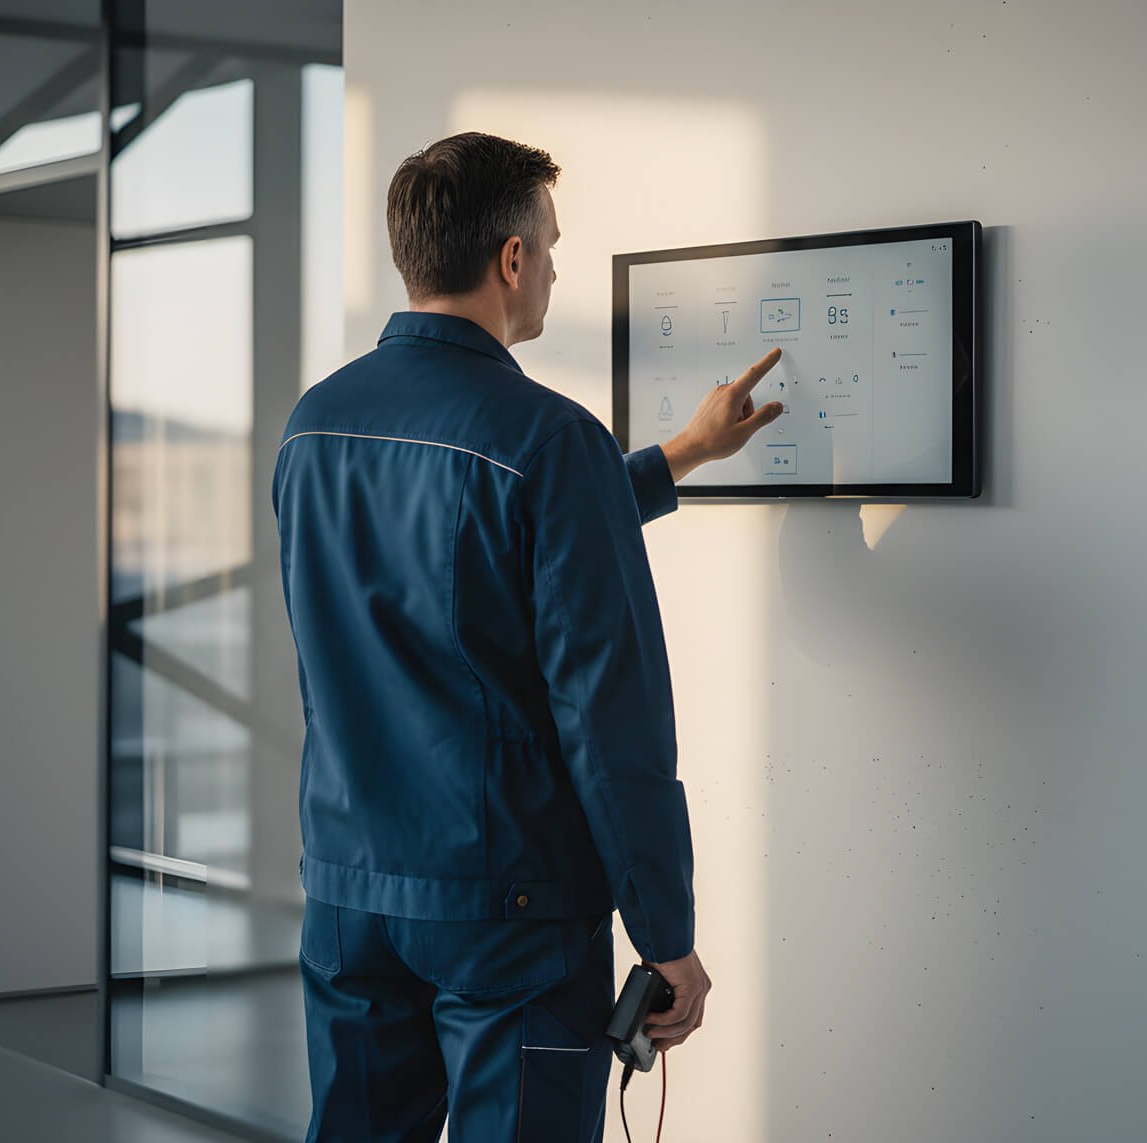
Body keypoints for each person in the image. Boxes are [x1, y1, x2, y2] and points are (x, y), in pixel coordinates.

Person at [273, 131, 782, 1141]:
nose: (551, 266)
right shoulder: (547, 440)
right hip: (506, 910)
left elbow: (458, 556)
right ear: (510, 260)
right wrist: (665, 933)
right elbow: (610, 720)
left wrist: (679, 453)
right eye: (548, 245)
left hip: (349, 891)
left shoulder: (312, 426)